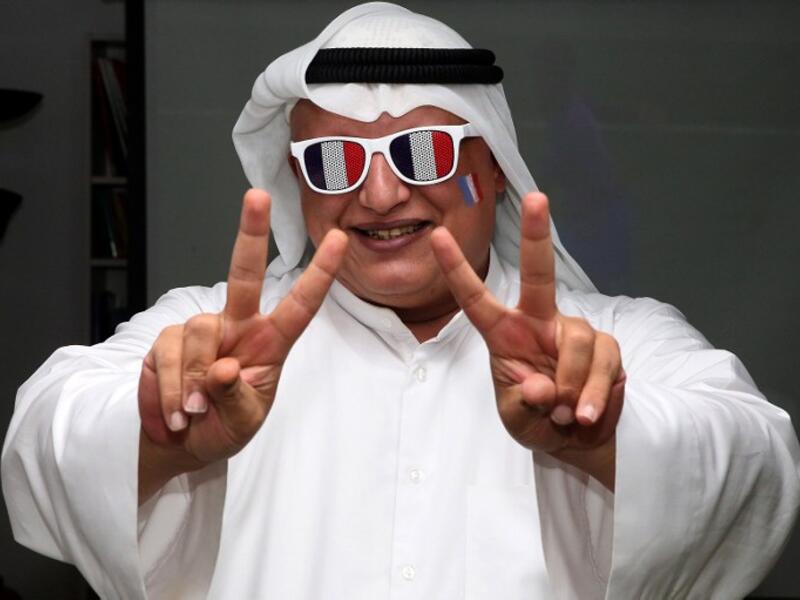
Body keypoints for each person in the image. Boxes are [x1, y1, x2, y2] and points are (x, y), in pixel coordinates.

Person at [3, 3, 799, 599]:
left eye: (425, 152)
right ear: (298, 184)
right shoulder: (209, 344)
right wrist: (166, 439)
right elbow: (42, 432)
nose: (380, 194)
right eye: (335, 161)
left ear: (491, 171)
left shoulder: (616, 341)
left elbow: (760, 464)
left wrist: (600, 435)